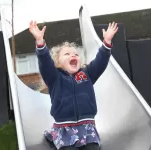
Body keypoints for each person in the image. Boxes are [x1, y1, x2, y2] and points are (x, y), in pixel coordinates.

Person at [29, 20, 118, 150]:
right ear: (57, 62)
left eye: (76, 54)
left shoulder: (87, 74)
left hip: (87, 128)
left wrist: (107, 43)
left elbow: (100, 62)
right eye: (67, 54)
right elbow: (45, 62)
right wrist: (40, 43)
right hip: (65, 129)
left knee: (93, 148)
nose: (73, 55)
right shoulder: (54, 77)